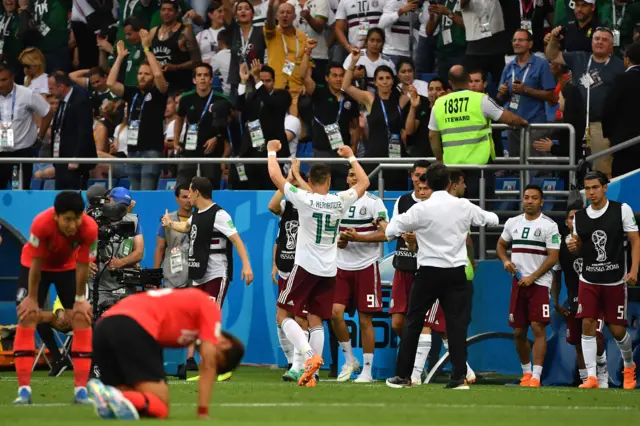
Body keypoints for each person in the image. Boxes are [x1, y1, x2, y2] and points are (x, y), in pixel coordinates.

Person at [384, 162, 499, 389]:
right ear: (448, 183)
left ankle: (403, 376)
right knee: (456, 326)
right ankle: (458, 378)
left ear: (428, 183)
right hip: (456, 273)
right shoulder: (463, 206)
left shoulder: (421, 209)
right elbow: (492, 219)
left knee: (413, 322)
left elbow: (390, 231)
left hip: (428, 273)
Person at [267, 138, 370, 387]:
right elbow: (365, 182)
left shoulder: (303, 198)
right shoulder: (339, 200)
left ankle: (309, 358)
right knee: (316, 319)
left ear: (310, 182)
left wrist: (272, 151)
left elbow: (275, 176)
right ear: (329, 182)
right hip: (329, 270)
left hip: (304, 267)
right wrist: (350, 156)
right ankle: (311, 374)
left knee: (283, 316)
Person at [88, 288, 245, 420]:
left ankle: (110, 394)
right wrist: (202, 411)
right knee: (160, 405)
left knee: (132, 400)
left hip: (104, 326)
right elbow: (209, 362)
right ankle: (114, 394)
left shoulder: (184, 327)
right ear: (225, 343)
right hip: (132, 326)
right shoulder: (210, 308)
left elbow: (150, 351)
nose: (209, 361)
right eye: (218, 359)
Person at [13, 191, 98, 404]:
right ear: (56, 217)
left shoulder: (89, 229)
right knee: (28, 315)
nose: (72, 225)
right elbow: (36, 264)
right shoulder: (41, 224)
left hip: (67, 268)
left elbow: (83, 265)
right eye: (67, 219)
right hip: (34, 266)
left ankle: (80, 391)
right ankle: (24, 391)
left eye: (76, 218)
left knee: (81, 318)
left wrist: (80, 299)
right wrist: (32, 298)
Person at [568, 171, 639, 389]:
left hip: (615, 279)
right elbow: (580, 251)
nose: (591, 192)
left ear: (605, 187)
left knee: (617, 330)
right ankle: (591, 377)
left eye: (595, 187)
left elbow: (635, 240)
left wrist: (634, 270)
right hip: (588, 278)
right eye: (587, 188)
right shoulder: (579, 217)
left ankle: (628, 366)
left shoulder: (621, 210)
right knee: (587, 324)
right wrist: (574, 248)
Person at [408, 169, 477, 386]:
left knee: (431, 323)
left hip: (446, 274)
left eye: (425, 188)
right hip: (431, 273)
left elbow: (466, 242)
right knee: (447, 327)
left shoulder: (453, 210)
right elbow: (414, 248)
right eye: (419, 189)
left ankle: (414, 374)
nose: (422, 192)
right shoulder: (424, 211)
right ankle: (466, 371)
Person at [428, 65, 528, 201]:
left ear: (450, 83)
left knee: (456, 210)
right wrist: (523, 122)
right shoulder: (481, 99)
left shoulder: (439, 104)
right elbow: (508, 118)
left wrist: (440, 159)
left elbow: (432, 136)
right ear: (469, 79)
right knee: (481, 210)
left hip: (452, 168)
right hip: (480, 168)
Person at [496, 184, 561, 387]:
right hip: (518, 283)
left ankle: (537, 376)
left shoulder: (549, 225)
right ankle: (526, 372)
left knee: (538, 327)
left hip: (539, 284)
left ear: (541, 201)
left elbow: (553, 257)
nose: (529, 201)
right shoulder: (513, 222)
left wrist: (532, 277)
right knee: (518, 332)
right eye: (526, 197)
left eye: (534, 198)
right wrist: (505, 261)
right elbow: (500, 245)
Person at [332, 166, 389, 383]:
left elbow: (387, 233)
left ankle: (367, 370)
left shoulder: (374, 203)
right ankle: (349, 360)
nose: (353, 178)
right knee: (335, 313)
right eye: (350, 175)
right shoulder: (338, 201)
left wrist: (359, 238)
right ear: (346, 179)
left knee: (365, 319)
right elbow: (330, 232)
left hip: (366, 266)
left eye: (358, 175)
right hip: (340, 266)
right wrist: (340, 241)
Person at [545, 27, 625, 177]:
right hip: (577, 125)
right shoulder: (580, 58)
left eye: (604, 39)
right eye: (597, 38)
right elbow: (552, 55)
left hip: (601, 127)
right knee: (578, 170)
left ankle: (603, 200)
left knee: (602, 170)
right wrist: (554, 39)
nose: (600, 42)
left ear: (612, 45)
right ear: (591, 42)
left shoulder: (620, 66)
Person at [552, 207, 609, 387]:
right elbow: (557, 275)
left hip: (596, 295)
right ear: (567, 222)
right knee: (578, 342)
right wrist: (554, 300)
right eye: (571, 217)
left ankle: (602, 374)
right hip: (574, 298)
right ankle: (586, 379)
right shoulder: (560, 247)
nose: (574, 220)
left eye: (578, 217)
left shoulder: (593, 240)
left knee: (596, 336)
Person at [107, 31, 169, 190]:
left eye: (146, 74)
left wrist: (147, 49)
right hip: (132, 150)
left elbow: (157, 73)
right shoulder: (132, 93)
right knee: (134, 196)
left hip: (152, 151)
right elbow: (110, 83)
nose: (142, 77)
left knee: (147, 195)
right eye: (140, 73)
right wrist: (120, 57)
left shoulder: (159, 93)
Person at [268, 159, 312, 381]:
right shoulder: (287, 206)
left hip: (303, 268)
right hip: (285, 267)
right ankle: (291, 361)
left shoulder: (311, 204)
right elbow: (272, 207)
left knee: (300, 317)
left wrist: (297, 180)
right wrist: (286, 182)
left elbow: (313, 195)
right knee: (281, 318)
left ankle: (303, 363)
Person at [343, 47, 408, 190]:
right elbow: (346, 86)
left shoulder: (402, 99)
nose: (385, 82)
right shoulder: (370, 98)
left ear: (393, 81)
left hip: (396, 156)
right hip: (374, 154)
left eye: (388, 78)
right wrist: (353, 62)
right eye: (381, 79)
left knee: (395, 195)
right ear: (376, 82)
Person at [299, 40, 360, 191]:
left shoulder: (349, 98)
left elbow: (355, 125)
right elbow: (303, 77)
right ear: (327, 78)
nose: (338, 79)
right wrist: (307, 52)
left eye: (341, 76)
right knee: (318, 192)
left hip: (342, 152)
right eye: (334, 75)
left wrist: (354, 147)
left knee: (342, 191)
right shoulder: (319, 92)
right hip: (321, 151)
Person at [497, 29, 556, 159]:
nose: (516, 43)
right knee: (515, 165)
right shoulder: (509, 67)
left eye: (521, 40)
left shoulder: (541, 64)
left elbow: (552, 96)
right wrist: (502, 93)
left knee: (537, 166)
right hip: (513, 123)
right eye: (514, 40)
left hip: (535, 124)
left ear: (530, 44)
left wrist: (526, 90)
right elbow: (500, 99)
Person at [233, 60, 291, 189]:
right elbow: (239, 106)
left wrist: (257, 79)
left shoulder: (282, 95)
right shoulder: (254, 96)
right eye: (262, 80)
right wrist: (243, 82)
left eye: (268, 81)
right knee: (253, 189)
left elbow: (270, 102)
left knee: (271, 189)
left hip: (273, 152)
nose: (264, 84)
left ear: (274, 81)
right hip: (253, 151)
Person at [388, 160, 430, 340]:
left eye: (424, 176)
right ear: (411, 176)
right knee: (397, 322)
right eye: (417, 175)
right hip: (403, 266)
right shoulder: (402, 201)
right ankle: (411, 354)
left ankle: (420, 361)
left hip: (425, 270)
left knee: (425, 323)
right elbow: (393, 229)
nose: (420, 180)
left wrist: (418, 240)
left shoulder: (435, 204)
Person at [174, 63, 232, 190]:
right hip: (189, 151)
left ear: (211, 79)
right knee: (184, 187)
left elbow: (229, 124)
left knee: (209, 189)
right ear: (194, 80)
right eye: (199, 75)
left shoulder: (222, 100)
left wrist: (217, 138)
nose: (202, 78)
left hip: (212, 152)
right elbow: (179, 118)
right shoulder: (186, 98)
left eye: (206, 75)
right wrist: (176, 140)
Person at [0, 62, 51, 190]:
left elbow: (47, 112)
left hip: (21, 153)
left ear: (12, 78)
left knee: (19, 189)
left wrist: (40, 136)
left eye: (4, 80)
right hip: (1, 153)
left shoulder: (27, 94)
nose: (0, 84)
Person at [48, 71, 96, 190]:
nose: (50, 92)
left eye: (51, 88)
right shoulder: (62, 102)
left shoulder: (80, 101)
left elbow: (84, 132)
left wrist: (76, 158)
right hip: (61, 159)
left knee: (74, 196)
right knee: (61, 195)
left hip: (75, 162)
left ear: (61, 87)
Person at [601, 42, 640, 178]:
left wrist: (609, 135)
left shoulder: (621, 80)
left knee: (624, 184)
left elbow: (609, 109)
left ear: (627, 59)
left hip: (624, 145)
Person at [149, 0, 201, 91]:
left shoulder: (185, 32)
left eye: (170, 10)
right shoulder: (153, 32)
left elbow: (197, 61)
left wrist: (176, 67)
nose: (166, 13)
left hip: (179, 87)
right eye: (163, 9)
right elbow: (147, 56)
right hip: (158, 85)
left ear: (177, 13)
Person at [154, 184, 192, 289]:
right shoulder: (167, 219)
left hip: (195, 277)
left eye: (190, 197)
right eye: (184, 197)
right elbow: (160, 248)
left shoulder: (200, 219)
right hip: (173, 275)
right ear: (177, 198)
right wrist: (155, 278)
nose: (188, 200)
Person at [341, 28, 395, 93]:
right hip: (357, 96)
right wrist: (354, 75)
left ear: (382, 43)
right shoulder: (355, 55)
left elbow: (393, 82)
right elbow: (342, 77)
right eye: (372, 40)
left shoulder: (387, 62)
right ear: (366, 42)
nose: (375, 44)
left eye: (378, 41)